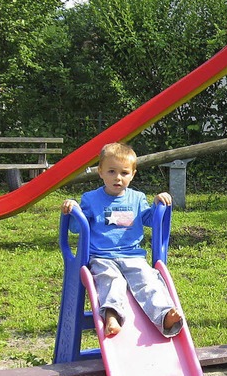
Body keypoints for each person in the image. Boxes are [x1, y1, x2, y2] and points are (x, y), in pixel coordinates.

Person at [61, 142, 183, 338]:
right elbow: (76, 228)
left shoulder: (137, 198)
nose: (118, 178)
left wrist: (158, 202)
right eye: (111, 171)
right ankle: (112, 316)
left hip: (132, 255)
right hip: (102, 257)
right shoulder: (91, 199)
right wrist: (73, 209)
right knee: (111, 280)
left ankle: (164, 315)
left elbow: (151, 220)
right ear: (100, 172)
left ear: (133, 174)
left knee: (147, 279)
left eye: (124, 173)